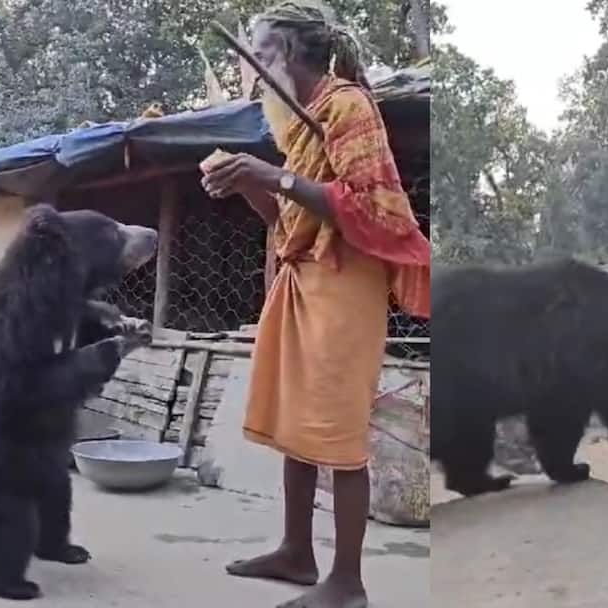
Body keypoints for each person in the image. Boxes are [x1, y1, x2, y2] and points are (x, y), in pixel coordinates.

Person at [199, 2, 430, 607]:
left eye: (259, 49)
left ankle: (348, 582)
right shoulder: (299, 126)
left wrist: (272, 176)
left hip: (346, 284)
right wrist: (252, 182)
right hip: (304, 281)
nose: (250, 64)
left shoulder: (349, 105)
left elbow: (371, 208)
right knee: (297, 424)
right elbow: (288, 223)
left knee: (339, 433)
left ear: (292, 52)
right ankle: (297, 553)